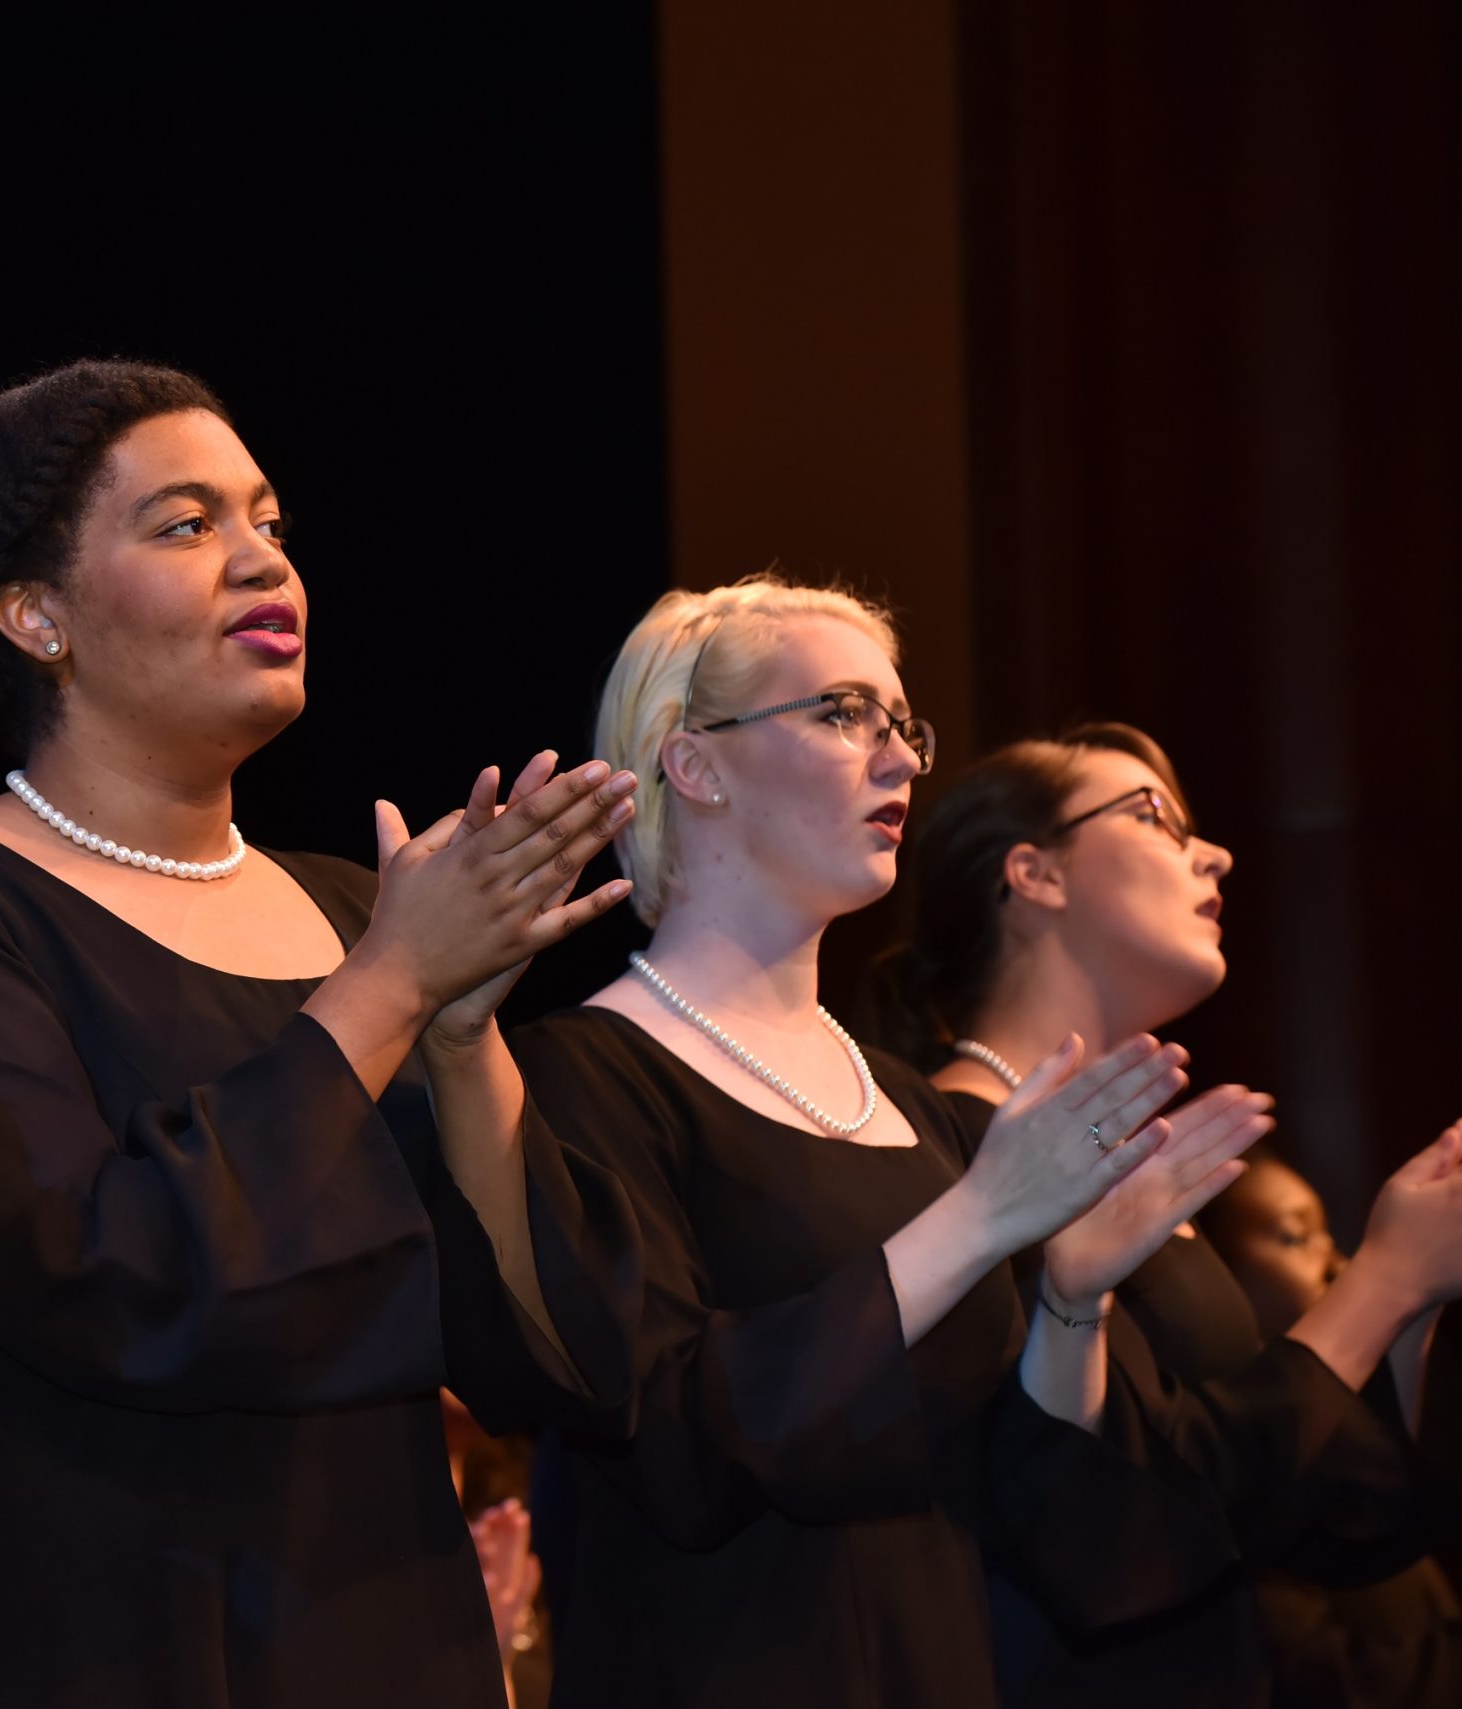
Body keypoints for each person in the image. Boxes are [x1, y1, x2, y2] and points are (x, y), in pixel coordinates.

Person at [0, 359, 646, 1708]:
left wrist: (465, 1033)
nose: (261, 561)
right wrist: (390, 989)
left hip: (375, 1636)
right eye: (186, 525)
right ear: (35, 613)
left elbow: (550, 1358)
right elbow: (111, 1277)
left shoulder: (360, 909)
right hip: (52, 1642)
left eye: (271, 523)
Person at [511, 576, 1265, 1707]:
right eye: (840, 713)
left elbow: (1030, 1506)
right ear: (695, 763)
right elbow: (675, 1440)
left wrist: (1072, 1297)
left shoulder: (906, 1103)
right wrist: (977, 1219)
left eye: (901, 725)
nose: (901, 760)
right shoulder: (581, 1074)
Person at [884, 723, 1462, 1705]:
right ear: (1033, 873)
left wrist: (1419, 1287)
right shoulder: (946, 1152)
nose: (1214, 853)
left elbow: (1323, 1518)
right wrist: (1381, 1281)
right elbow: (1125, 1512)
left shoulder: (1126, 1161)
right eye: (1152, 814)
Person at [1201, 1149, 1462, 1709]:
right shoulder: (1223, 1464)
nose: (1338, 1264)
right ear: (1212, 1272)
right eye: (1295, 1238)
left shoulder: (1348, 1419)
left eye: (1326, 1235)